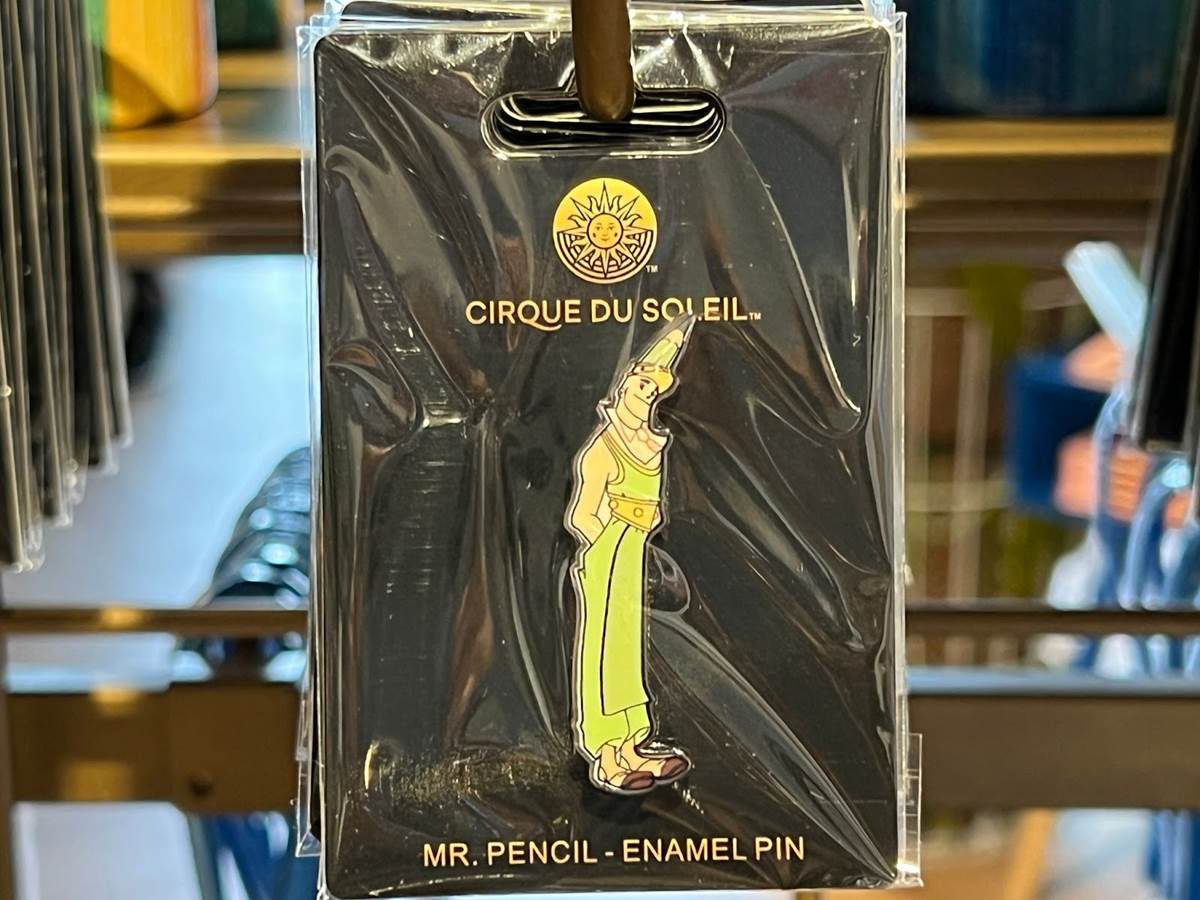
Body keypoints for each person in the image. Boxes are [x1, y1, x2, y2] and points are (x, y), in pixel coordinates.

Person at [565, 317, 695, 795]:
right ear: (624, 387)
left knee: (626, 648)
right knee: (602, 647)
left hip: (634, 552)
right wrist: (606, 544)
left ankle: (631, 742)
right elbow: (582, 514)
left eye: (654, 388)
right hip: (608, 554)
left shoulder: (648, 445)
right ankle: (605, 753)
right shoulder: (604, 448)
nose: (648, 394)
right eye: (642, 384)